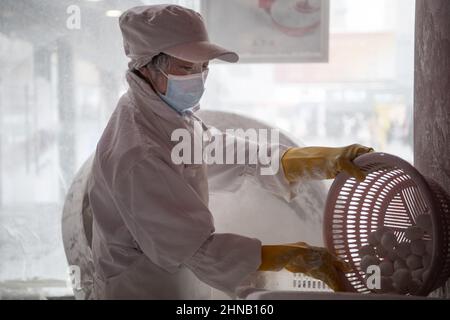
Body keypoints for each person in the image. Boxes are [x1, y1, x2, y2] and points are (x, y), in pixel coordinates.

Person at [87, 4, 373, 299]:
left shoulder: (164, 115)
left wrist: (311, 161)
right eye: (187, 67)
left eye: (204, 67)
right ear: (147, 66)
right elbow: (194, 249)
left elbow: (218, 150)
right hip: (143, 288)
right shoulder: (138, 151)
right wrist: (291, 258)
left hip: (182, 286)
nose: (198, 77)